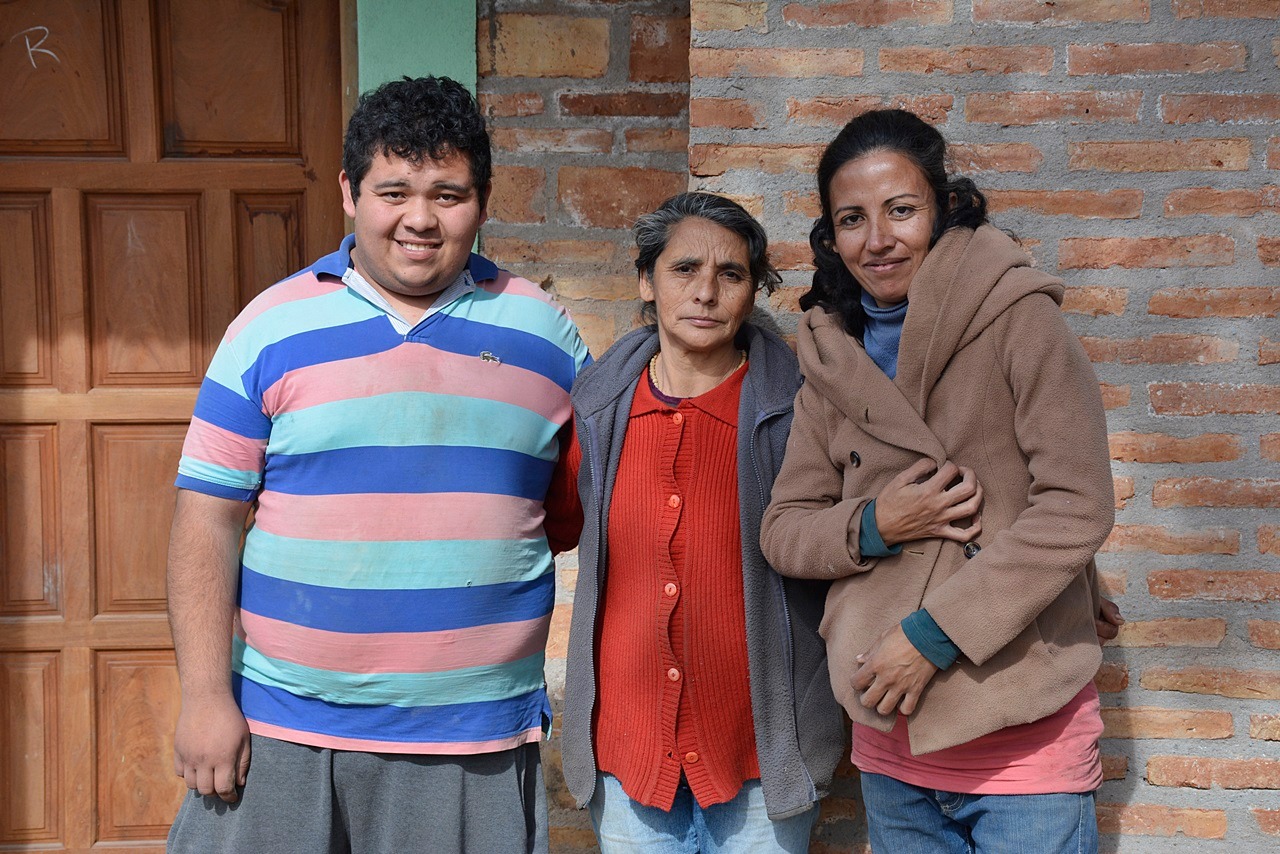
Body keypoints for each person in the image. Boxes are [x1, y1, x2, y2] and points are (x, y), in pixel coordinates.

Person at [165, 76, 588, 853]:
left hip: (474, 742)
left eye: (448, 195)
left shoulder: (547, 337)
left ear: (483, 202)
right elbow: (208, 521)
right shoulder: (268, 329)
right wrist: (203, 698)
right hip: (281, 729)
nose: (420, 219)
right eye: (394, 192)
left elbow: (579, 510)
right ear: (349, 193)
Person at [760, 109, 1118, 853]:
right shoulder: (831, 355)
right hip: (890, 741)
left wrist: (933, 635)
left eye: (901, 210)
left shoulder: (1019, 319)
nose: (878, 239)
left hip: (1022, 737)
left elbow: (1076, 504)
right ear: (831, 236)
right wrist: (874, 525)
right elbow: (785, 527)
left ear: (945, 207)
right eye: (852, 219)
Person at [558, 192, 846, 853]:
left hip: (759, 758)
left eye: (731, 274)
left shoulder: (800, 411)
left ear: (753, 290)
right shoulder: (598, 413)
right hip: (629, 759)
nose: (706, 293)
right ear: (647, 281)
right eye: (684, 269)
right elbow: (556, 527)